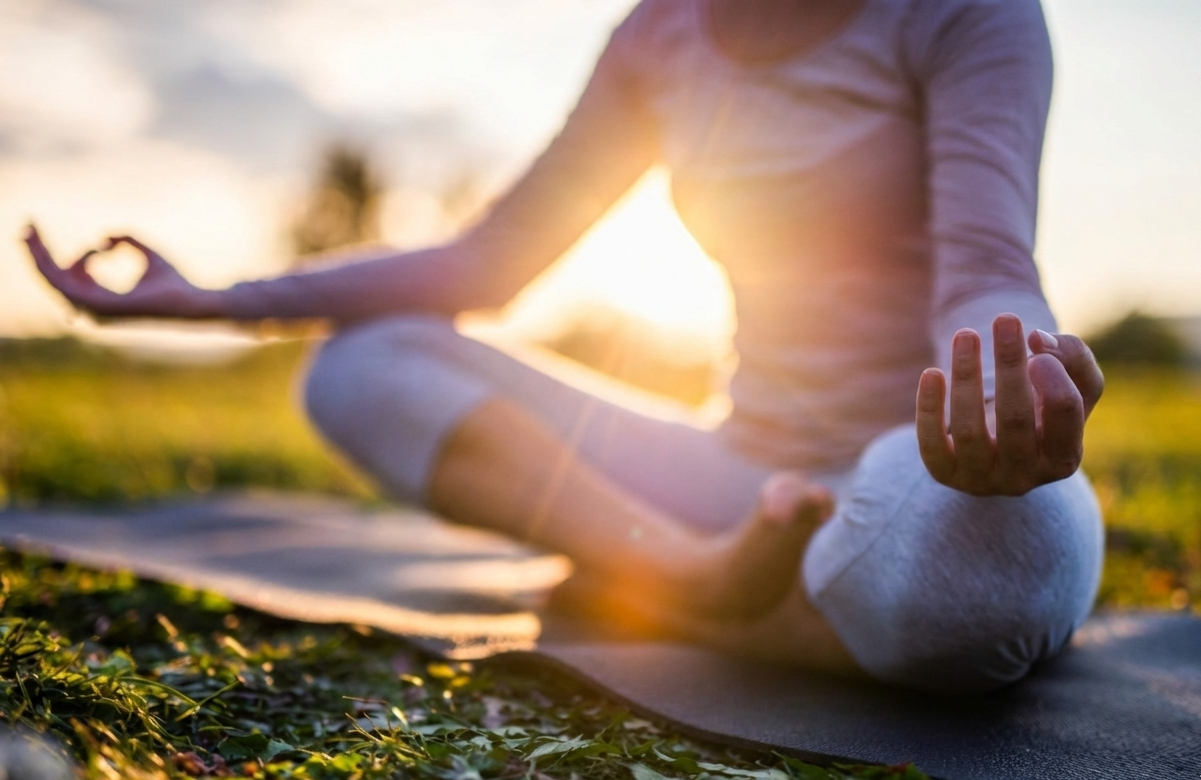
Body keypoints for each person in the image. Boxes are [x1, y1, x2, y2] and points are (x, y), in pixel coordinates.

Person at [24, 0, 1106, 694]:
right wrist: (207, 300)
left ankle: (678, 588)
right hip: (734, 479)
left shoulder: (967, 13)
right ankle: (689, 580)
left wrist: (1002, 389)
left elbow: (982, 269)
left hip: (912, 472)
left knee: (988, 577)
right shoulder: (660, 37)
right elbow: (485, 265)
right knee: (362, 363)